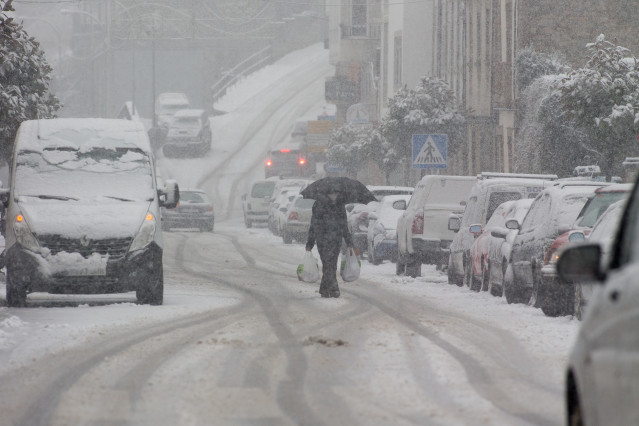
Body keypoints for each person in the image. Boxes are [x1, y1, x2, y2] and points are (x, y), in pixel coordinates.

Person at [305, 191, 354, 298]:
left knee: (330, 265)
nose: (335, 194)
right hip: (327, 239)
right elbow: (314, 224)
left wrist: (349, 241)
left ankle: (325, 289)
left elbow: (343, 225)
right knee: (328, 264)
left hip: (330, 239)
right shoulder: (320, 204)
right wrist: (310, 243)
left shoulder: (337, 205)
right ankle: (333, 289)